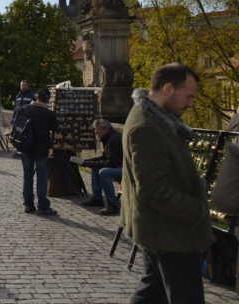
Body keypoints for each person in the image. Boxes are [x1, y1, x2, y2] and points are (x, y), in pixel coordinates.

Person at [123, 64, 213, 303]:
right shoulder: (146, 126)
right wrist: (197, 210)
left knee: (153, 293)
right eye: (189, 96)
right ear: (168, 88)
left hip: (160, 229)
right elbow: (154, 190)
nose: (191, 103)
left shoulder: (154, 118)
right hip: (171, 233)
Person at [18, 88, 59, 216]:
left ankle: (28, 204)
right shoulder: (49, 114)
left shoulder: (25, 109)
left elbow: (18, 125)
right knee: (42, 178)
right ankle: (43, 206)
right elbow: (55, 130)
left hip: (26, 147)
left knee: (27, 176)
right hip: (42, 149)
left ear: (36, 98)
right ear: (47, 100)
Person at [77, 119, 122, 215]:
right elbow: (105, 157)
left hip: (124, 169)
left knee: (104, 172)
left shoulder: (114, 139)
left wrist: (88, 163)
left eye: (97, 131)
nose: (95, 133)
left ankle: (113, 204)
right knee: (96, 168)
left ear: (104, 129)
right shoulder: (109, 137)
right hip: (117, 165)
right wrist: (87, 162)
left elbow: (111, 163)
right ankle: (97, 198)